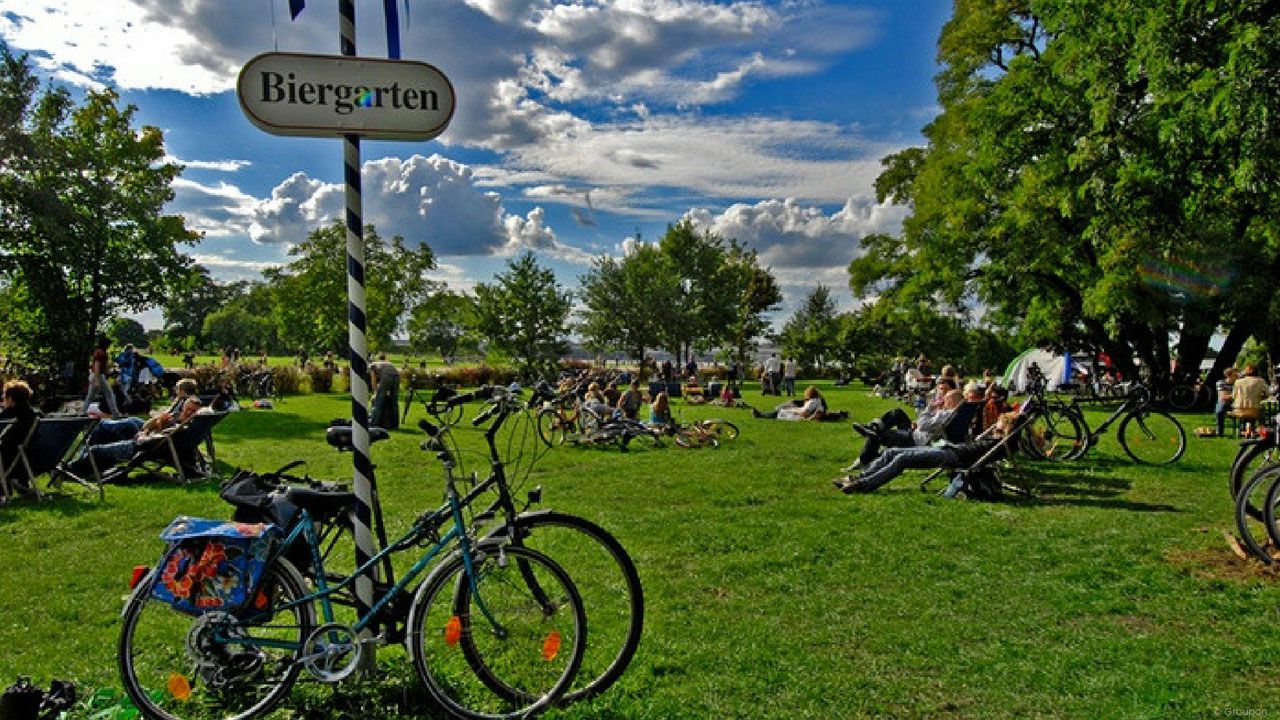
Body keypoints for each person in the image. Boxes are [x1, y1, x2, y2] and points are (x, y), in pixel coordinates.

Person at [836, 411, 1019, 494]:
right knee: (891, 451)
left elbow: (1016, 431)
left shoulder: (1003, 444)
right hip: (946, 448)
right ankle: (858, 477)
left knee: (901, 459)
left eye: (999, 430)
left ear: (1008, 432)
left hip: (953, 456)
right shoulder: (995, 440)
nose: (995, 431)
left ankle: (863, 485)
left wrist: (1016, 421)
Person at [847, 389, 965, 469]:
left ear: (952, 401)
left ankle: (864, 460)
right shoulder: (957, 414)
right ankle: (873, 427)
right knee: (896, 413)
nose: (943, 400)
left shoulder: (945, 414)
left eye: (946, 398)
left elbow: (923, 425)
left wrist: (930, 408)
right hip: (917, 435)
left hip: (914, 440)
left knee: (876, 434)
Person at [0, 380, 38, 496]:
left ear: (11, 399)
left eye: (4, 397)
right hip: (32, 458)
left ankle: (4, 490)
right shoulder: (34, 415)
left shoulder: (9, 415)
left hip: (12, 458)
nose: (3, 399)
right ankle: (20, 483)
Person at [84, 336, 121, 418]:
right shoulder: (101, 353)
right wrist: (97, 379)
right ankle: (115, 413)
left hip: (96, 375)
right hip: (99, 376)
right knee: (109, 394)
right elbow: (97, 365)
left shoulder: (98, 352)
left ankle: (83, 412)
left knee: (90, 396)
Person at [1232, 364, 1269, 435]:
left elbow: (1234, 396)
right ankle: (1259, 431)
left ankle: (1246, 429)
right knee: (1261, 412)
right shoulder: (1260, 381)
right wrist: (1261, 396)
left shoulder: (1238, 382)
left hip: (1239, 409)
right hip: (1255, 409)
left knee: (1247, 413)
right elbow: (1267, 394)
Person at [753, 385, 827, 420]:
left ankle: (761, 415)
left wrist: (794, 410)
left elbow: (805, 412)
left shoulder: (813, 402)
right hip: (801, 413)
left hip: (799, 416)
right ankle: (762, 414)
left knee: (780, 412)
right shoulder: (817, 400)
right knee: (780, 411)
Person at [369, 352, 401, 430]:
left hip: (386, 377)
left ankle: (374, 423)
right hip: (396, 376)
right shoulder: (389, 363)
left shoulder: (373, 365)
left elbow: (374, 380)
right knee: (394, 402)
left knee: (378, 401)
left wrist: (375, 393)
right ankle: (395, 424)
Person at [1214, 368, 1239, 437]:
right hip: (1225, 402)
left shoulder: (1238, 383)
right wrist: (1234, 395)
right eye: (1235, 375)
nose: (1237, 376)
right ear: (1229, 376)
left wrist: (1231, 396)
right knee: (1220, 410)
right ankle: (1219, 432)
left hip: (1236, 402)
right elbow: (1223, 396)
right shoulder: (1221, 383)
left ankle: (1244, 431)